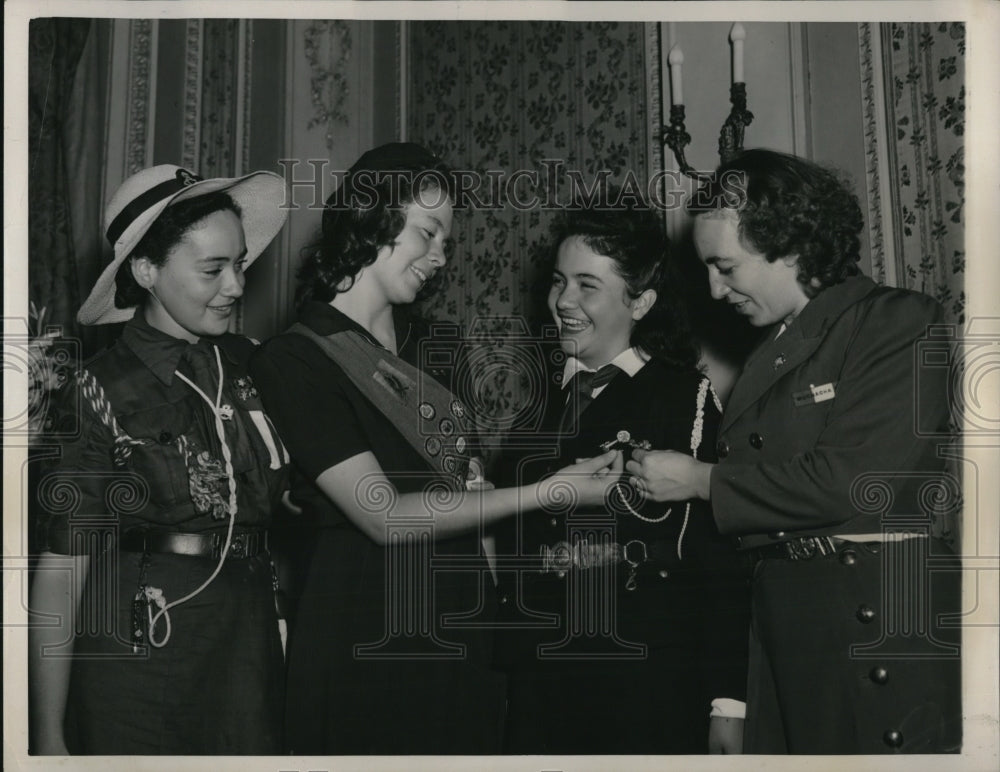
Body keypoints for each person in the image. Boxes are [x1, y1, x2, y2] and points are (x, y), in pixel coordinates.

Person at [249, 142, 621, 755]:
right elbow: (385, 516)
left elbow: (471, 497)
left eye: (447, 240)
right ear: (371, 216)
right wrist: (546, 491)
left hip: (463, 627)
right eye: (428, 232)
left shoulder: (434, 345)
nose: (440, 256)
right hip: (366, 637)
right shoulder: (295, 359)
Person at [626, 148, 962, 754]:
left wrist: (702, 481)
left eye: (724, 266)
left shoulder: (896, 320)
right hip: (790, 624)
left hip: (872, 612)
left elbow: (852, 482)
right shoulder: (770, 353)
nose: (714, 288)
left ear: (787, 242)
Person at [29, 165, 291, 754]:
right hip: (143, 656)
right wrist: (46, 735)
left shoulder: (253, 368)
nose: (236, 287)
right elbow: (62, 575)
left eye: (240, 264)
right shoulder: (98, 391)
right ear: (146, 271)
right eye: (212, 269)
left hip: (249, 649)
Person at [491, 200, 751, 755]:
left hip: (645, 681)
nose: (563, 301)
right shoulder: (538, 403)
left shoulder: (685, 396)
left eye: (588, 285)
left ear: (642, 301)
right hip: (539, 683)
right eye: (560, 281)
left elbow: (720, 556)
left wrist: (727, 700)